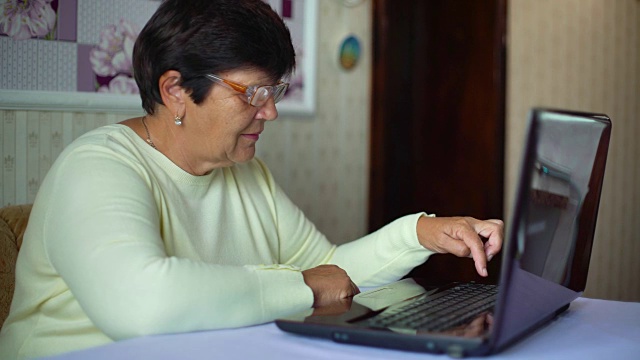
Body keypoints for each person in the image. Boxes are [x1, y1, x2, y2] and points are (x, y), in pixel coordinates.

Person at [0, 0, 503, 358]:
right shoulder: (97, 167)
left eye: (276, 89)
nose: (272, 112)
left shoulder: (245, 174)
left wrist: (420, 233)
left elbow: (331, 273)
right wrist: (302, 285)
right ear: (175, 89)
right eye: (254, 92)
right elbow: (142, 305)